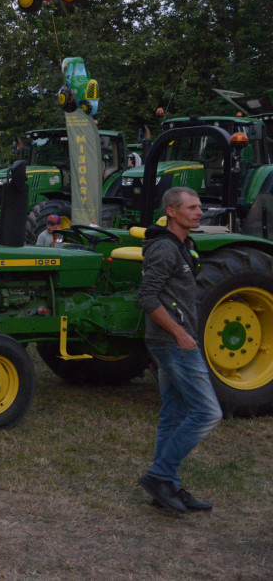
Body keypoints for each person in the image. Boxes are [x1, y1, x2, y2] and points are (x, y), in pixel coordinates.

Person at [137, 187, 221, 513]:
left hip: (174, 341)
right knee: (206, 412)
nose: (200, 212)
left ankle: (166, 489)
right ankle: (160, 476)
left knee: (174, 414)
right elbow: (147, 298)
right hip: (173, 343)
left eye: (200, 206)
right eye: (192, 207)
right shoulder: (164, 249)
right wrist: (180, 334)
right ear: (172, 211)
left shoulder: (183, 246)